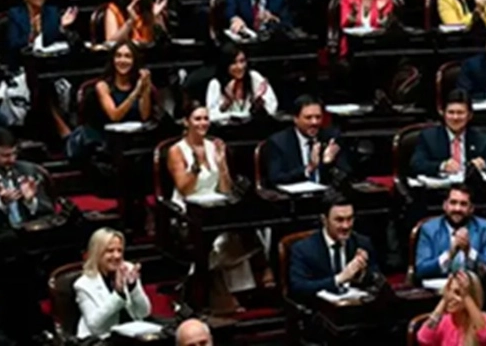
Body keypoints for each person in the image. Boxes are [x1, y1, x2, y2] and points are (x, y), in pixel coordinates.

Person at [168, 103, 262, 312]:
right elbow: (184, 189)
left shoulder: (214, 146)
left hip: (215, 205)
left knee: (243, 232)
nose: (203, 123)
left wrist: (221, 164)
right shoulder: (176, 150)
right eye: (197, 119)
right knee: (214, 242)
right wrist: (194, 168)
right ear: (186, 122)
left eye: (205, 119)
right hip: (188, 209)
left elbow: (225, 188)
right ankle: (208, 290)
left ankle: (200, 285)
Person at [288, 191, 379, 300]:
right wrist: (338, 279)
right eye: (339, 220)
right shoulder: (303, 249)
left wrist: (361, 275)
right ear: (324, 220)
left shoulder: (362, 243)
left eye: (350, 219)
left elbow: (377, 279)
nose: (346, 226)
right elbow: (298, 288)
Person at [73, 228, 152, 338]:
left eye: (120, 250)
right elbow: (94, 326)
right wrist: (118, 295)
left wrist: (133, 289)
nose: (117, 256)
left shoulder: (128, 269)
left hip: (131, 335)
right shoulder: (83, 285)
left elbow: (144, 312)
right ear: (97, 253)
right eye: (110, 251)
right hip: (101, 338)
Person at [414, 185, 486, 280]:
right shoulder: (428, 229)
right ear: (445, 206)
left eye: (463, 204)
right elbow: (421, 270)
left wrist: (469, 252)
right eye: (453, 203)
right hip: (440, 285)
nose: (457, 209)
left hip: (475, 286)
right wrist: (449, 255)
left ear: (471, 208)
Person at [264, 95, 352, 187]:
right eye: (308, 118)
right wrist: (309, 168)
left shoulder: (330, 138)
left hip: (325, 193)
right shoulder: (278, 142)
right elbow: (275, 178)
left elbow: (346, 175)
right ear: (296, 119)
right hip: (294, 193)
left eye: (318, 117)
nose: (314, 122)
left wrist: (328, 164)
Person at [410, 91, 486, 178]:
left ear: (470, 115)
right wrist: (442, 166)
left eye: (460, 113)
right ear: (443, 114)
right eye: (451, 112)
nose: (455, 117)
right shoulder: (429, 137)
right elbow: (416, 164)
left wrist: (484, 163)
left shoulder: (481, 138)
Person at [2, 0, 78, 69]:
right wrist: (33, 35)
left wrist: (60, 27)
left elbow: (52, 40)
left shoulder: (52, 12)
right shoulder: (15, 15)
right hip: (22, 64)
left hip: (48, 63)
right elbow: (13, 45)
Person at [417, 271, 486, 346]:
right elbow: (423, 338)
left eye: (457, 293)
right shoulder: (445, 321)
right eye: (449, 291)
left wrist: (465, 296)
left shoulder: (484, 322)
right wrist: (444, 299)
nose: (451, 297)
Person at [205, 43, 277, 121]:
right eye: (234, 63)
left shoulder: (254, 77)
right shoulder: (215, 84)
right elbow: (211, 115)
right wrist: (227, 103)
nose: (240, 67)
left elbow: (272, 106)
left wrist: (259, 104)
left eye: (242, 61)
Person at [94, 42, 153, 128]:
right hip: (109, 133)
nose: (122, 60)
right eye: (118, 56)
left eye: (127, 56)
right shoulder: (102, 86)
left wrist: (145, 88)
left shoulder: (139, 83)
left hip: (137, 132)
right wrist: (135, 92)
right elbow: (114, 116)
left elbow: (144, 116)